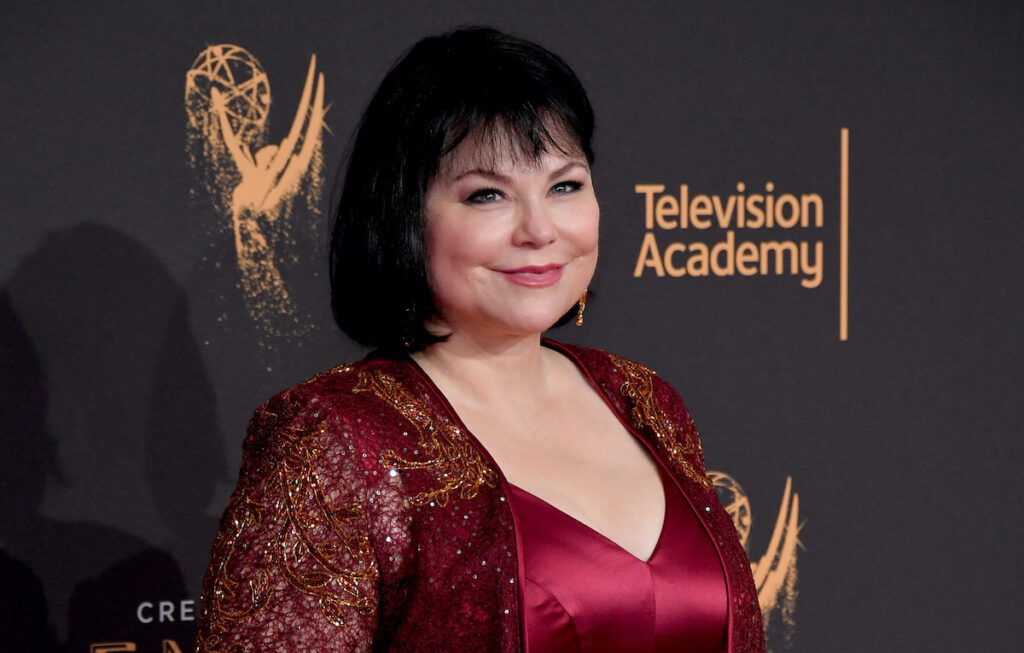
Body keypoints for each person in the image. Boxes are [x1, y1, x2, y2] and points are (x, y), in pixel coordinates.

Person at [195, 27, 765, 653]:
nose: (539, 229)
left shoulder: (644, 401)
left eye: (565, 185)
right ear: (404, 216)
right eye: (487, 195)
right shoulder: (340, 439)